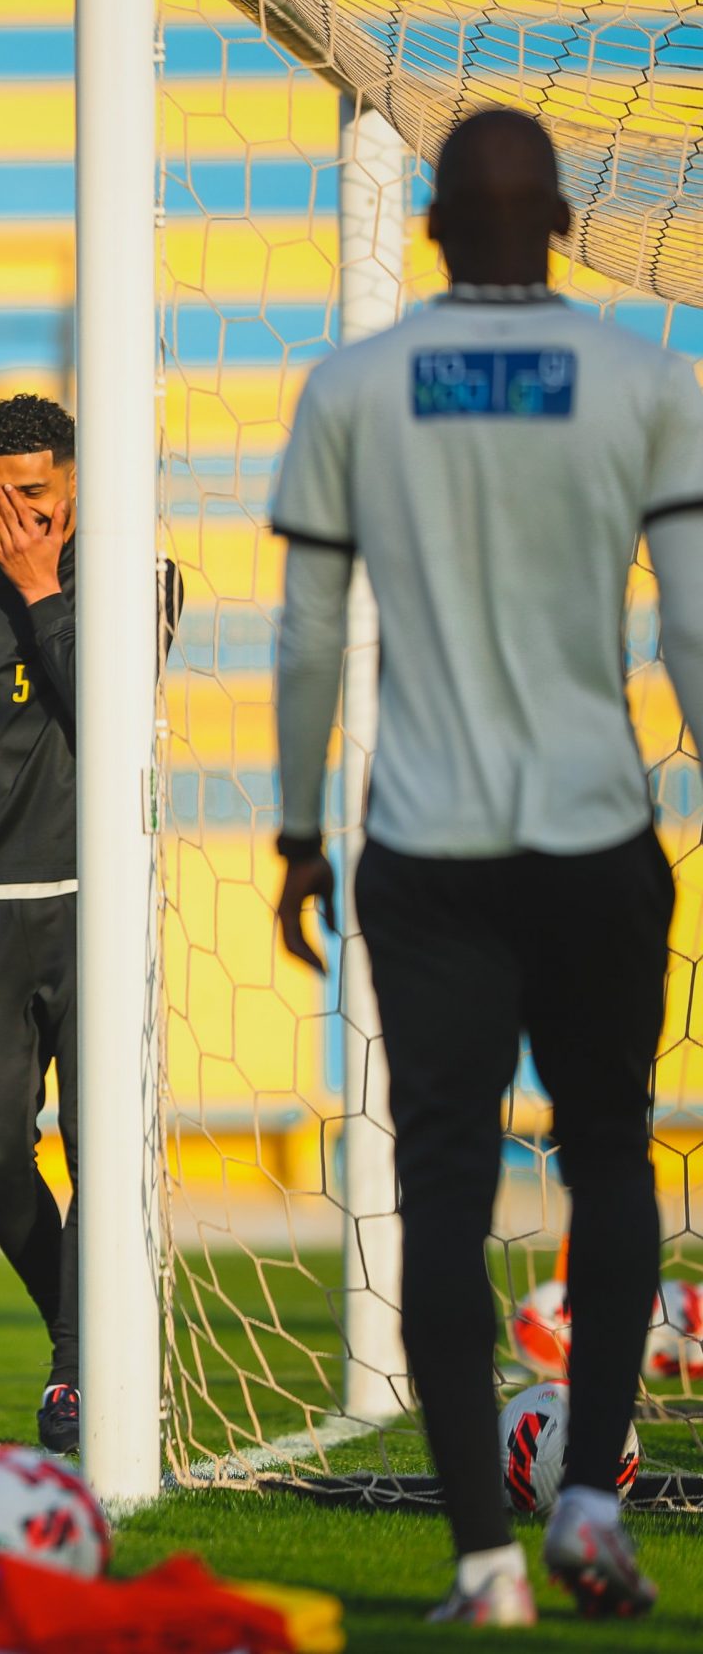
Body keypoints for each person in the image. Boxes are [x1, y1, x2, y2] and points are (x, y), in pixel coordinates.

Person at [274, 107, 703, 1625]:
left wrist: (291, 831)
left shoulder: (354, 387)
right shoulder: (649, 383)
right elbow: (693, 625)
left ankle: (481, 1564)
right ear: (575, 219)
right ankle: (590, 1496)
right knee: (608, 1155)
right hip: (596, 834)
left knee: (443, 1186)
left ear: (438, 227)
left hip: (431, 844)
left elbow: (313, 630)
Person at [0, 394, 180, 1456]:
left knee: (103, 1149)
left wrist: (43, 592)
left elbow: (107, 715)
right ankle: (79, 1334)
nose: (15, 514)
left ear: (74, 485)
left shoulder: (139, 577)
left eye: (36, 494)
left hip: (95, 905)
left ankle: (78, 1370)